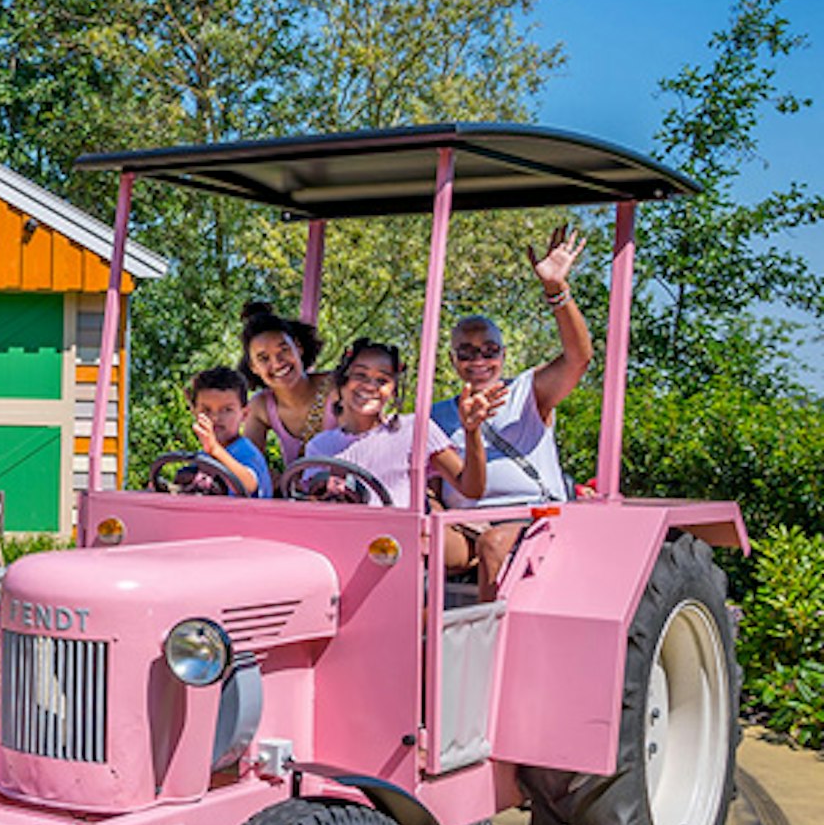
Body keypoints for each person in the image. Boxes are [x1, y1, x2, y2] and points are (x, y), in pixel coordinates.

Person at [431, 223, 592, 599]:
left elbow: (578, 358)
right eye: (467, 353)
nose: (479, 360)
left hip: (531, 517)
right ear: (453, 360)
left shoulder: (527, 392)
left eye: (489, 350)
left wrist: (556, 289)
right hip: (463, 523)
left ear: (502, 355)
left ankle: (488, 646)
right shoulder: (437, 415)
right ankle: (412, 642)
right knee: (409, 544)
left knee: (493, 545)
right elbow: (434, 485)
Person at [302, 339, 502, 508]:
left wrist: (472, 431)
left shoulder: (413, 430)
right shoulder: (319, 446)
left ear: (393, 391)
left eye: (382, 380)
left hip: (395, 545)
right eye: (360, 375)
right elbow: (315, 505)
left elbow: (471, 489)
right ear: (341, 381)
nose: (370, 386)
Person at [239, 301, 337, 465]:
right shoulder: (261, 406)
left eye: (284, 350)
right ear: (253, 368)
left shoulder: (338, 385)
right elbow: (249, 467)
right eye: (264, 358)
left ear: (298, 348)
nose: (277, 363)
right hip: (297, 490)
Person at [189, 366, 273, 497]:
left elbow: (248, 485)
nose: (215, 418)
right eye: (206, 410)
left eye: (227, 410)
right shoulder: (202, 456)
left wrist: (215, 450)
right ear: (194, 412)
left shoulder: (246, 452)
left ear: (244, 415)